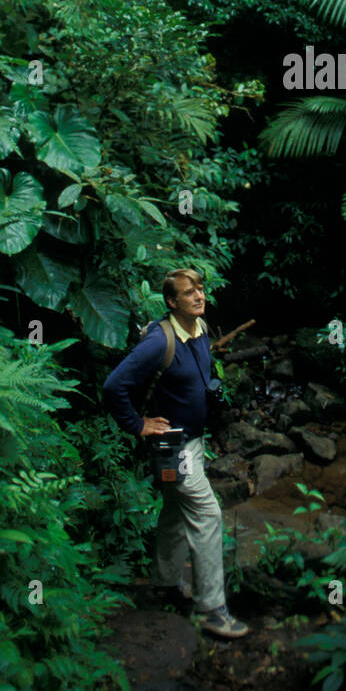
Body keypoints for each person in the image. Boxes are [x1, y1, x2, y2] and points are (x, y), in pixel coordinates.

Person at [102, 267, 249, 639]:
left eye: (200, 290)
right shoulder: (158, 341)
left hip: (193, 442)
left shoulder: (198, 329)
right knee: (207, 513)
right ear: (171, 302)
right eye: (189, 293)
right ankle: (211, 609)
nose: (199, 297)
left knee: (173, 512)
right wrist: (138, 424)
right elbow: (114, 386)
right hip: (173, 446)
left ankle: (166, 583)